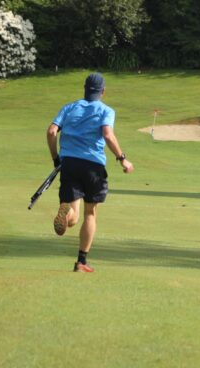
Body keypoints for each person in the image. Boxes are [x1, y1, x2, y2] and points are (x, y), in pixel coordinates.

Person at [46, 73, 134, 273]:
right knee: (90, 213)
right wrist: (122, 159)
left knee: (73, 217)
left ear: (84, 89)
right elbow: (107, 134)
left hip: (69, 164)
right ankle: (81, 262)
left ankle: (65, 214)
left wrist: (56, 158)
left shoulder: (69, 108)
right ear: (102, 91)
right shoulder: (106, 111)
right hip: (93, 166)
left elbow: (51, 131)